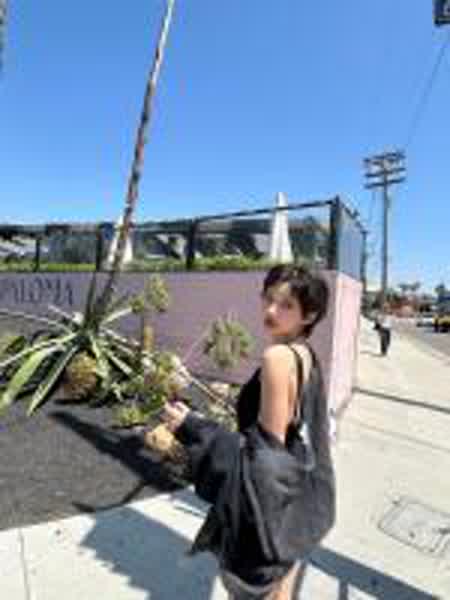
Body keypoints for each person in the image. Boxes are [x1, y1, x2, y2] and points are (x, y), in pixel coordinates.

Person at [163, 264, 336, 599]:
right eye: (268, 299)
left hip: (271, 510)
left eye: (286, 305)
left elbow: (265, 460)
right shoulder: (306, 356)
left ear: (310, 315)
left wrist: (193, 427)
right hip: (298, 502)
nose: (271, 311)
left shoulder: (278, 358)